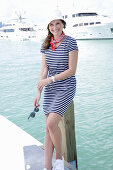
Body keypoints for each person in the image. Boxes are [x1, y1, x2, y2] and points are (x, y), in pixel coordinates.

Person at [34, 10, 78, 170]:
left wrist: (50, 80)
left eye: (57, 23)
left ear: (63, 24)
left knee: (52, 123)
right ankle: (48, 167)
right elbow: (44, 69)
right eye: (51, 24)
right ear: (48, 27)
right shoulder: (46, 44)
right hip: (51, 89)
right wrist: (39, 91)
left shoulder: (70, 42)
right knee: (48, 128)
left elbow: (72, 70)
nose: (55, 27)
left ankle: (59, 158)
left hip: (66, 86)